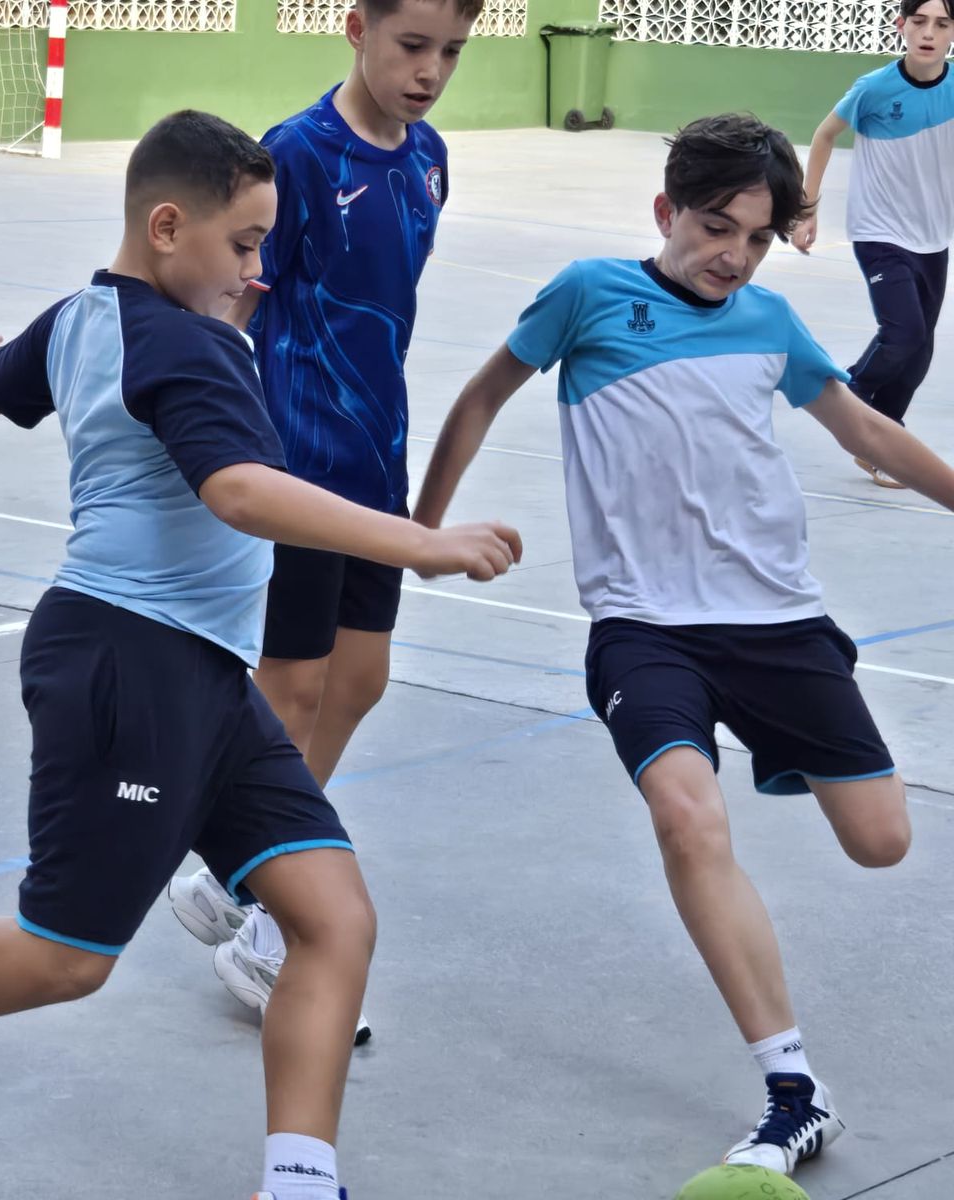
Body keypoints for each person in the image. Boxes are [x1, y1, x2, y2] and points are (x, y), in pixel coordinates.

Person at [0, 110, 521, 1200]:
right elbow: (237, 490)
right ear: (165, 227)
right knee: (66, 955)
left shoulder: (82, 317)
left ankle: (298, 1181)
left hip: (196, 673)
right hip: (126, 662)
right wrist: (418, 541)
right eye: (244, 245)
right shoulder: (181, 340)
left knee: (333, 918)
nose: (257, 272)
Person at [416, 113, 954, 1177]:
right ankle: (793, 1088)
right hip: (645, 629)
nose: (733, 255)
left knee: (882, 839)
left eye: (756, 239)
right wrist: (424, 534)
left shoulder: (768, 320)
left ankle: (781, 737)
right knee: (683, 812)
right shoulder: (587, 296)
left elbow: (866, 432)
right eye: (716, 227)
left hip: (778, 624)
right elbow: (479, 397)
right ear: (665, 211)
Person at [166, 0, 480, 1044]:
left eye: (450, 52)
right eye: (411, 46)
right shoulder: (297, 156)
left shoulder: (428, 159)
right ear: (355, 26)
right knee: (291, 686)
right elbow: (240, 295)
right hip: (297, 455)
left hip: (373, 457)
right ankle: (265, 912)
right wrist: (214, 422)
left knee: (360, 680)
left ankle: (230, 867)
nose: (430, 70)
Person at [793, 0, 954, 488]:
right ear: (900, 25)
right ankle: (844, 395)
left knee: (920, 350)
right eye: (919, 21)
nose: (929, 32)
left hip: (934, 236)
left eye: (942, 24)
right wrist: (808, 208)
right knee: (902, 333)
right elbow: (823, 137)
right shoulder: (875, 88)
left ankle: (881, 442)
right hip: (879, 231)